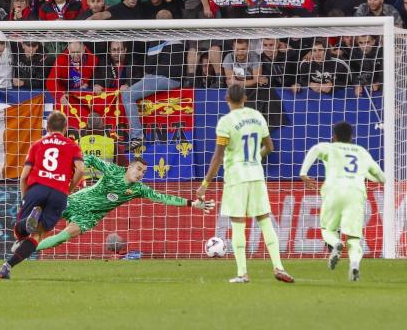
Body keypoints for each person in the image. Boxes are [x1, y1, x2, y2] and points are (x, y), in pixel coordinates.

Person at [196, 84, 295, 284]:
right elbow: (270, 146)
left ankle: (242, 273)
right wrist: (255, 159)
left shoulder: (226, 122)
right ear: (245, 98)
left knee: (238, 224)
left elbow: (218, 157)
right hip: (257, 175)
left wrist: (205, 183)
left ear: (227, 99)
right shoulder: (257, 116)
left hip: (237, 178)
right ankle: (278, 266)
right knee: (264, 221)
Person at [36, 155, 214, 252]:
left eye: (143, 172)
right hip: (76, 201)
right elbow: (89, 158)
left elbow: (164, 198)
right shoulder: (112, 170)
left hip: (90, 217)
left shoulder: (138, 189)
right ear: (129, 167)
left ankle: (27, 250)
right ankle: (29, 227)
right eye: (138, 169)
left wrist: (192, 203)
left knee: (61, 238)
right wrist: (74, 168)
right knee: (43, 222)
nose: (140, 174)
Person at [0, 111, 85, 279]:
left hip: (37, 188)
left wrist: (25, 198)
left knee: (19, 230)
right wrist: (69, 187)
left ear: (47, 126)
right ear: (66, 128)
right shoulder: (73, 145)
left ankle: (27, 222)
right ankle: (7, 266)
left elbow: (24, 176)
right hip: (59, 192)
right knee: (37, 235)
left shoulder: (38, 144)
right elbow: (81, 170)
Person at [299, 121, 385, 281]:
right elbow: (381, 176)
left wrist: (304, 173)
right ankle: (354, 264)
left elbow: (315, 150)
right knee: (353, 238)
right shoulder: (361, 151)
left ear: (334, 136)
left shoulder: (330, 147)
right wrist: (372, 177)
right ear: (352, 137)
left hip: (334, 190)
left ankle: (337, 243)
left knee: (327, 229)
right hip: (356, 193)